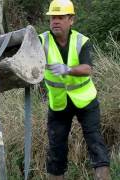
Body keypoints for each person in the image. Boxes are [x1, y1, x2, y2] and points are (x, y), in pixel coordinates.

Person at [39, 0, 111, 179]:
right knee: (56, 151)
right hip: (59, 104)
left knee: (96, 144)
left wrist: (68, 69)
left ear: (71, 20)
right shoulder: (41, 40)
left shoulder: (81, 41)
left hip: (85, 101)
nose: (55, 21)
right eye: (52, 17)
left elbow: (87, 69)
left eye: (60, 17)